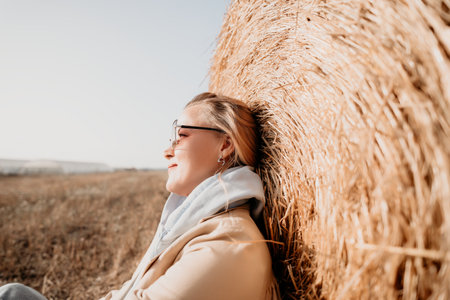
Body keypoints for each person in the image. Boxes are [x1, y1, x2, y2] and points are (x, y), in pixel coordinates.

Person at [0, 92, 277, 300]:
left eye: (181, 136)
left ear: (225, 144)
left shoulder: (228, 245)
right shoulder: (195, 225)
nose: (167, 151)